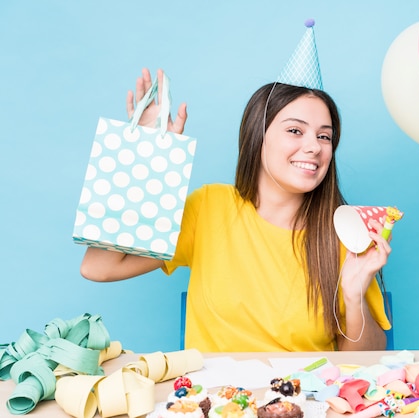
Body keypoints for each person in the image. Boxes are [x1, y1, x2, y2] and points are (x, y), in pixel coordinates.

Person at [81, 23, 392, 352]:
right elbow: (98, 267)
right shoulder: (208, 208)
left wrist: (353, 297)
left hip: (306, 401)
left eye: (324, 136)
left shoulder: (345, 234)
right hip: (214, 402)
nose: (315, 147)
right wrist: (147, 160)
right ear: (258, 136)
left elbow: (366, 363)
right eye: (295, 131)